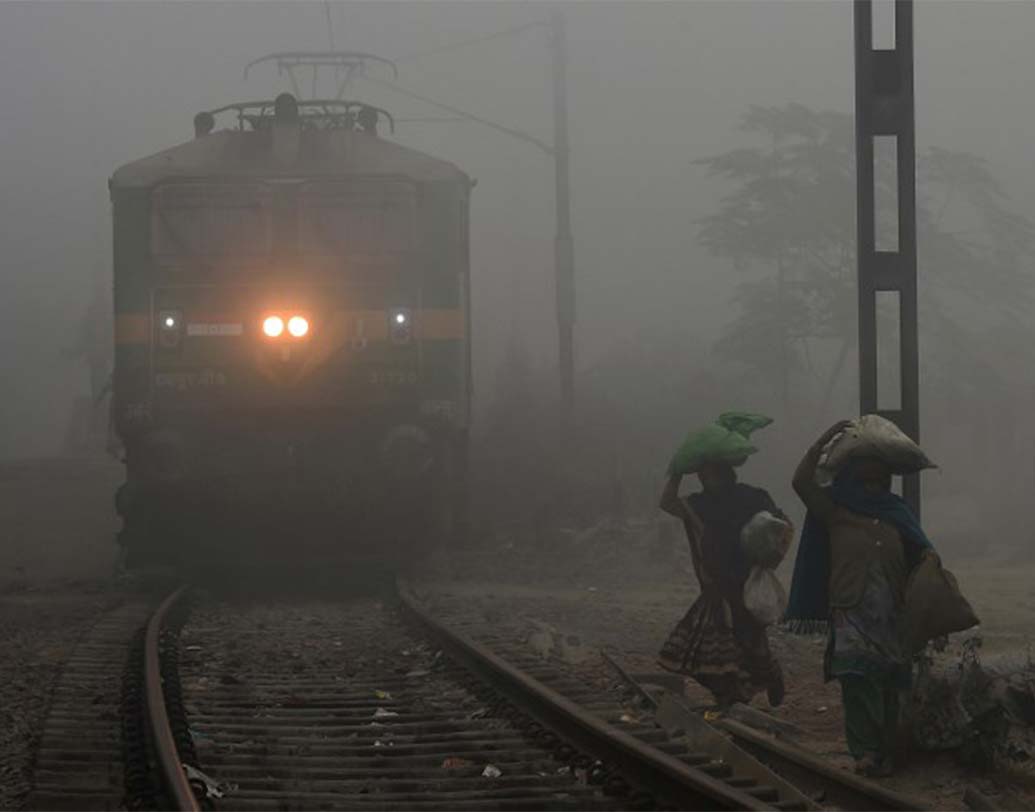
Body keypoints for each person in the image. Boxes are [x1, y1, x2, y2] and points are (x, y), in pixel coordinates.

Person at [786, 421, 934, 777]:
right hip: (850, 610)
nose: (875, 470)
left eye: (880, 466)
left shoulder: (898, 513)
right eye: (866, 462)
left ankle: (886, 749)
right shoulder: (836, 511)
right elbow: (801, 483)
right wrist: (822, 440)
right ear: (852, 469)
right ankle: (864, 752)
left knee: (889, 683)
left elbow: (922, 551)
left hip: (892, 614)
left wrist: (930, 567)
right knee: (856, 680)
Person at [658, 461, 789, 708]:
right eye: (705, 473)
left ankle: (765, 679)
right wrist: (676, 472)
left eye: (714, 471)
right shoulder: (701, 503)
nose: (710, 477)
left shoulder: (753, 497)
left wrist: (768, 558)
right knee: (710, 651)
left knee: (750, 644)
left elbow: (780, 527)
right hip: (716, 586)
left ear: (727, 471)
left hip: (746, 583)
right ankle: (732, 698)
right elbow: (667, 502)